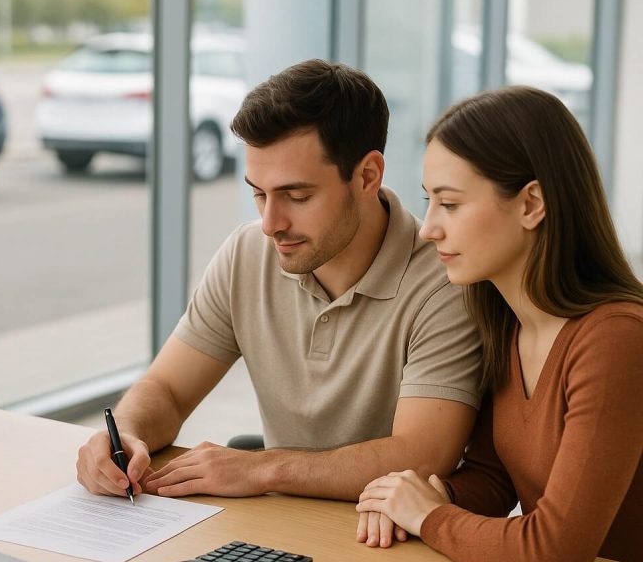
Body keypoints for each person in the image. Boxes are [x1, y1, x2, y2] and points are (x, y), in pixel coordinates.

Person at [76, 60, 482, 524]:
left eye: (297, 196)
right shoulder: (247, 253)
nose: (271, 224)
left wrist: (264, 467)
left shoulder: (445, 281)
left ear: (368, 177)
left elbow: (424, 455)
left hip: (390, 539)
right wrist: (126, 435)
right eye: (259, 194)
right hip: (281, 529)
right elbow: (167, 389)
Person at [355, 87, 642, 562]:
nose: (428, 229)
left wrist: (431, 518)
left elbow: (553, 558)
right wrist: (415, 497)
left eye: (451, 203)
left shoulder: (617, 341)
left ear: (531, 204)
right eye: (428, 201)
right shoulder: (506, 324)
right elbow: (493, 477)